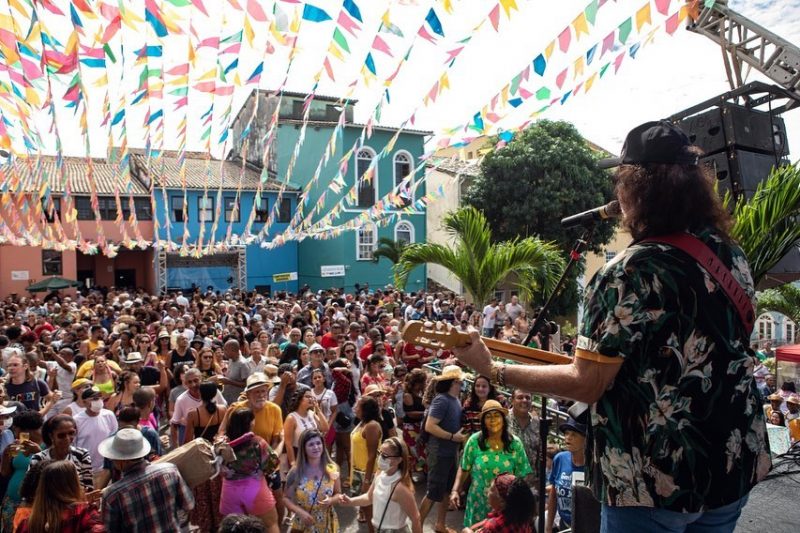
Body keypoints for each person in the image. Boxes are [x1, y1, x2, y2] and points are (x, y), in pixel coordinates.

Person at [452, 120, 771, 533]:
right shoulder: (730, 254)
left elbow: (587, 383)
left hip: (653, 477)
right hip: (730, 462)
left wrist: (493, 369)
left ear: (634, 190)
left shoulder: (629, 270)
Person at [450, 400, 531, 529]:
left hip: (504, 506)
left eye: (496, 415)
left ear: (504, 419)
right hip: (478, 501)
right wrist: (455, 490)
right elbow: (464, 467)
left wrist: (513, 501)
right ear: (483, 422)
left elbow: (523, 474)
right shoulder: (474, 441)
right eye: (488, 416)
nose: (493, 420)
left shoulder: (515, 443)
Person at [99, 428, 194, 532]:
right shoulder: (170, 470)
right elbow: (188, 504)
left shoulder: (112, 495)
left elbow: (109, 530)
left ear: (121, 461)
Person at [418, 365, 467, 533]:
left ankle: (440, 524)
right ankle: (417, 528)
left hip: (450, 452)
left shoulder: (455, 400)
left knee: (446, 490)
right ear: (455, 381)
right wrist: (453, 437)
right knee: (433, 492)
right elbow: (431, 426)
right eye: (461, 381)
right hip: (439, 452)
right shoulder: (442, 400)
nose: (463, 383)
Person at [219, 408, 279, 533]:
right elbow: (272, 465)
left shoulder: (222, 443)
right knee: (270, 525)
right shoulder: (257, 442)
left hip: (229, 492)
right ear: (251, 423)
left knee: (233, 529)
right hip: (255, 490)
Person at [17, 460, 104, 533]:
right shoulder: (84, 513)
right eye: (78, 481)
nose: (82, 487)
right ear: (71, 486)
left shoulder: (27, 524)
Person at [283, 429, 341, 533]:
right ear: (303, 448)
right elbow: (286, 498)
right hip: (303, 524)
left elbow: (338, 493)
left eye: (318, 443)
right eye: (311, 444)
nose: (316, 447)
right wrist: (300, 512)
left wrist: (331, 501)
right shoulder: (295, 472)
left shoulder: (332, 468)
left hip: (326, 523)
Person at [0, 410, 44, 531]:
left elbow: (52, 472)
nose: (15, 433)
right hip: (11, 501)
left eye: (16, 430)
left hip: (34, 505)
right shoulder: (19, 445)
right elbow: (5, 473)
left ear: (26, 431)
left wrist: (38, 452)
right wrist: (5, 454)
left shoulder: (48, 446)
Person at [29, 414, 94, 492]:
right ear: (51, 436)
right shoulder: (38, 458)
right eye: (61, 435)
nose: (67, 438)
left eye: (71, 433)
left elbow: (88, 486)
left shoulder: (82, 454)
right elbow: (31, 488)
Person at [546, 417, 586, 533]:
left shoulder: (593, 466)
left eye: (574, 434)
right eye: (567, 433)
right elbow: (553, 495)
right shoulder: (559, 459)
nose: (568, 437)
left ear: (585, 439)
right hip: (564, 525)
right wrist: (548, 527)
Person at [350, 395, 382, 532]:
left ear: (365, 409)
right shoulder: (361, 422)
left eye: (357, 406)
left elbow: (372, 455)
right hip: (358, 471)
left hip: (368, 473)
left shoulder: (372, 426)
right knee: (365, 506)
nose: (355, 408)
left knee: (370, 508)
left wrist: (367, 480)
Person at [74, 386, 118, 486]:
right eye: (94, 399)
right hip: (86, 471)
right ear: (84, 402)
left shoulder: (109, 415)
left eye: (99, 398)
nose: (98, 401)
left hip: (106, 469)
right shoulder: (76, 420)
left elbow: (114, 438)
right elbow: (73, 445)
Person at [462, 473, 535, 533]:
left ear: (502, 501)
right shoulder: (523, 518)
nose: (487, 491)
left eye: (491, 489)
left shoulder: (494, 526)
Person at [507, 388, 540, 488]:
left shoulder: (536, 423)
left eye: (528, 398)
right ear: (512, 400)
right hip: (507, 480)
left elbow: (540, 453)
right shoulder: (503, 420)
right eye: (520, 397)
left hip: (530, 483)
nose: (524, 400)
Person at [401, 368, 427, 476]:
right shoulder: (408, 395)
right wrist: (426, 413)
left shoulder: (420, 393)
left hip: (419, 426)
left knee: (421, 451)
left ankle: (420, 470)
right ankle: (411, 474)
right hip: (411, 428)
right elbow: (410, 413)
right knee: (414, 452)